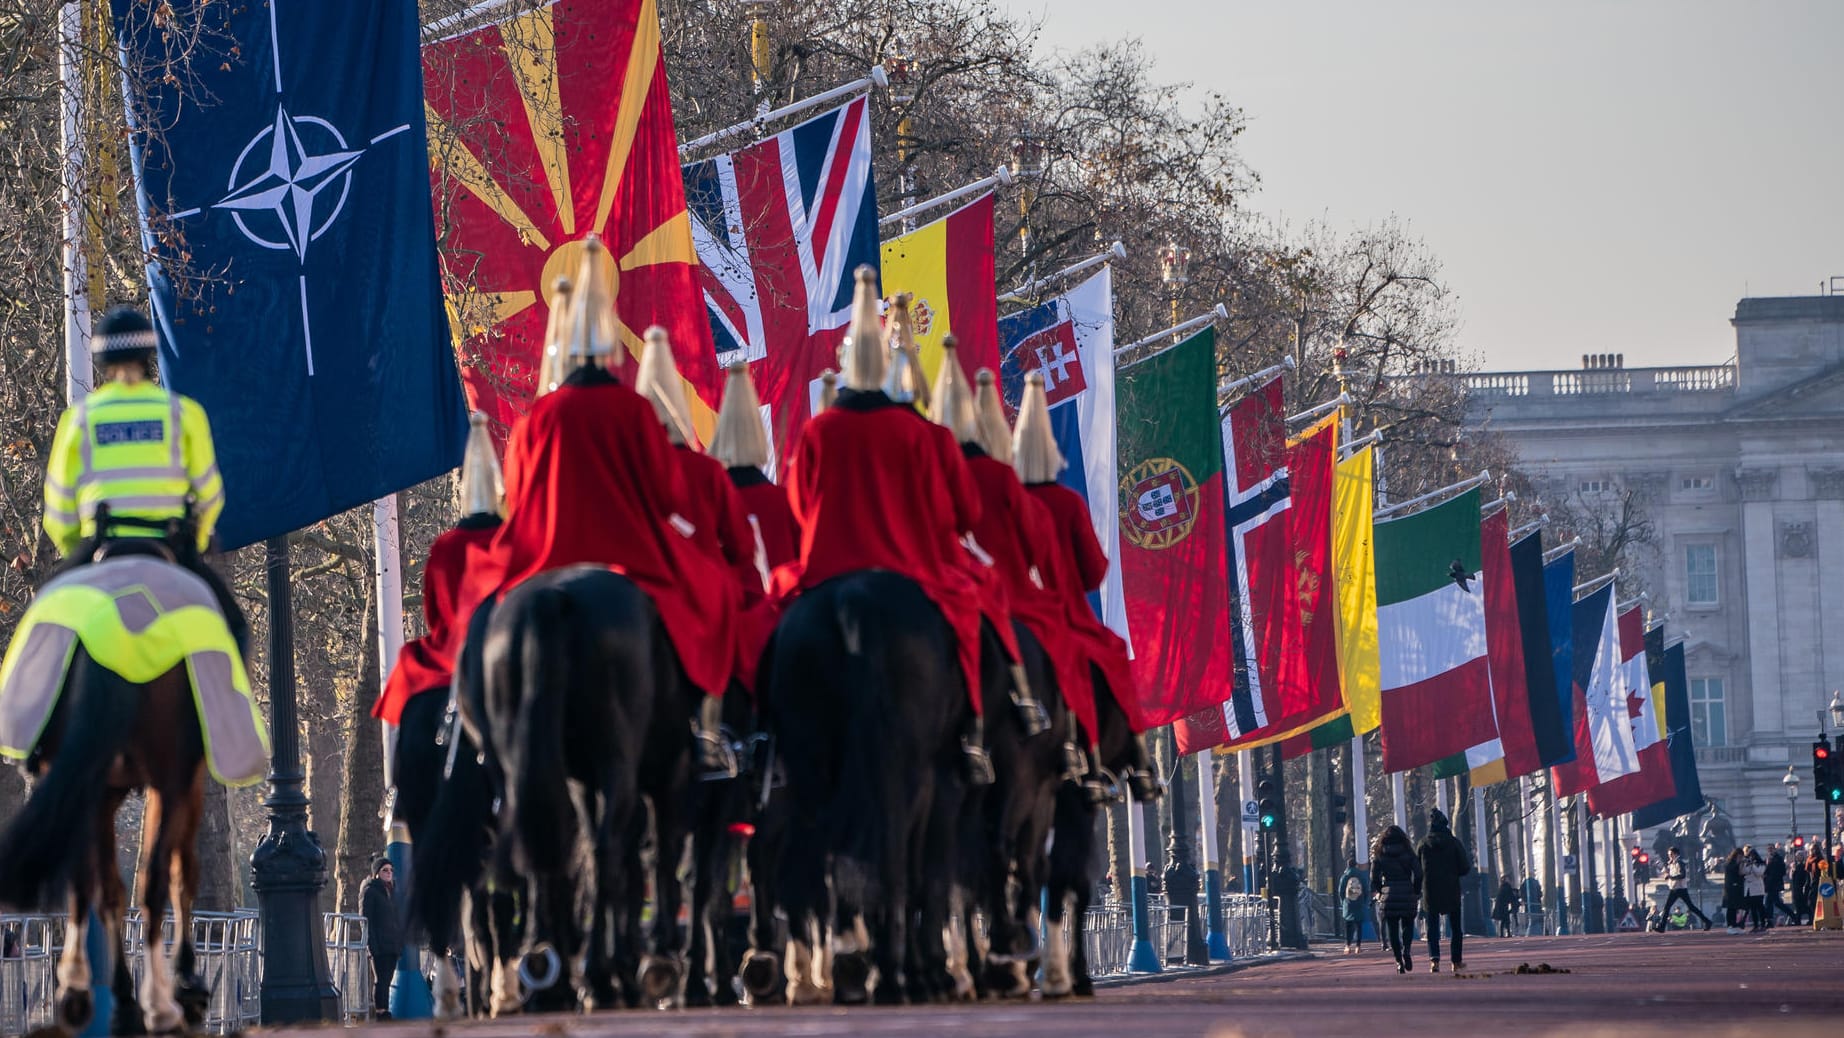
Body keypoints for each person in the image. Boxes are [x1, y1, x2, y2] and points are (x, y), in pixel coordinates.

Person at [445, 240, 737, 770]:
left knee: (476, 613)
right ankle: (699, 727)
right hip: (630, 557)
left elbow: (517, 494)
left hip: (544, 555)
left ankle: (478, 733)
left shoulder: (537, 418)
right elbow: (667, 493)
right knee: (709, 597)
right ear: (607, 346)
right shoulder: (632, 410)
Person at [780, 267, 995, 780]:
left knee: (770, 636)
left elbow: (796, 508)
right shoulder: (924, 435)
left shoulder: (818, 431)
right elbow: (964, 514)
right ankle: (974, 734)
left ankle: (764, 747)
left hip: (827, 578)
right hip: (911, 576)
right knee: (975, 628)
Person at [41, 305, 244, 650]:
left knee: (39, 629)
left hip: (101, 543)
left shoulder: (79, 419)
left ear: (101, 361)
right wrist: (192, 548)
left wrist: (79, 554)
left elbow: (58, 514)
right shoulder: (183, 413)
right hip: (168, 544)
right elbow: (211, 497)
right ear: (148, 354)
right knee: (235, 629)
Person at [1014, 373, 1159, 801]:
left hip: (1009, 608)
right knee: (1112, 655)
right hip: (1062, 615)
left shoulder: (1008, 499)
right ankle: (1133, 763)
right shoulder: (1066, 504)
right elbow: (1094, 574)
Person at [1416, 808, 1471, 972]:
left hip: (1430, 890)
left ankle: (1434, 960)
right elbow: (1465, 867)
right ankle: (1455, 961)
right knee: (1455, 928)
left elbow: (1416, 868)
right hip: (1451, 888)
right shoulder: (1454, 843)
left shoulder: (1423, 843)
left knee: (1432, 927)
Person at [1370, 826, 1421, 974]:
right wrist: (1416, 890)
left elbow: (1374, 877)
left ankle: (1398, 960)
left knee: (1392, 929)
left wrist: (1381, 891)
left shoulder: (1380, 854)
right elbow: (1418, 873)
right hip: (1407, 891)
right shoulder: (1408, 852)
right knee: (1408, 925)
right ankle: (1407, 950)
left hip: (1389, 893)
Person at [359, 858, 402, 1020]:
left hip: (392, 944)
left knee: (387, 978)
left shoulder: (392, 892)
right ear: (377, 873)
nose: (389, 873)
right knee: (381, 980)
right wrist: (372, 945)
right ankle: (381, 1012)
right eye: (385, 870)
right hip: (379, 944)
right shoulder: (370, 891)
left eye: (391, 870)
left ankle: (385, 1010)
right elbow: (366, 919)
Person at [1653, 846, 1712, 932]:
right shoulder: (1672, 863)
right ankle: (1707, 921)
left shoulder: (1680, 863)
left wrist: (1671, 877)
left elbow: (1682, 875)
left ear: (1676, 854)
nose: (1669, 856)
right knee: (1689, 907)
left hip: (1679, 888)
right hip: (1675, 888)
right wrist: (1663, 871)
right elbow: (1668, 873)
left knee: (1669, 907)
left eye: (1671, 854)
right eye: (1669, 854)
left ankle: (1662, 927)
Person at [1337, 856, 1367, 954]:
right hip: (1359, 903)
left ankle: (1348, 945)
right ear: (1356, 865)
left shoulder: (1345, 876)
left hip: (1348, 903)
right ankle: (1358, 946)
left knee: (1348, 926)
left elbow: (1341, 891)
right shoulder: (1361, 876)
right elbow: (1366, 889)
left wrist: (1343, 902)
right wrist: (1364, 901)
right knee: (1359, 926)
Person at [1763, 844, 1796, 927]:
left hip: (1774, 884)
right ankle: (1792, 915)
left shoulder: (1778, 858)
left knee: (1769, 902)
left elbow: (1781, 871)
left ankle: (1769, 920)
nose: (1770, 851)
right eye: (1768, 849)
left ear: (1774, 849)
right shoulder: (1768, 859)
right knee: (1775, 903)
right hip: (1770, 884)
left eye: (1771, 849)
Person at [1740, 845, 1767, 932]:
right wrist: (1745, 864)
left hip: (1758, 888)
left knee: (1760, 907)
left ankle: (1763, 924)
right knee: (1752, 908)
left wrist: (1753, 865)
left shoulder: (1761, 864)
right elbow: (1743, 872)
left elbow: (1758, 873)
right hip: (1749, 889)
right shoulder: (1747, 864)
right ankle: (1755, 925)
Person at [1720, 847, 1745, 934]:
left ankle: (1734, 925)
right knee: (1731, 908)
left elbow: (1741, 874)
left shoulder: (1736, 863)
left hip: (1736, 888)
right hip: (1730, 888)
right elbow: (1734, 872)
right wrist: (1739, 863)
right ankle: (1730, 925)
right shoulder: (1730, 864)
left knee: (1734, 907)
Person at [1789, 847, 1811, 924]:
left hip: (1803, 887)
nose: (1799, 857)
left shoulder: (1805, 865)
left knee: (1803, 904)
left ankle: (1809, 918)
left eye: (1800, 856)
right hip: (1796, 887)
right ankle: (1797, 920)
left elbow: (1807, 876)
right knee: (1797, 904)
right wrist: (1792, 869)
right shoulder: (1795, 865)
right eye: (1797, 856)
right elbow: (1791, 877)